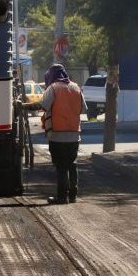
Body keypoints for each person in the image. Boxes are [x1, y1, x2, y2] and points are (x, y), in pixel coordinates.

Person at [40, 64, 87, 204]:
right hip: (74, 134)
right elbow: (84, 109)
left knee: (61, 167)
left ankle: (61, 197)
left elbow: (44, 106)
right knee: (72, 164)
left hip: (57, 135)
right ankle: (73, 196)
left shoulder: (53, 88)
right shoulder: (76, 87)